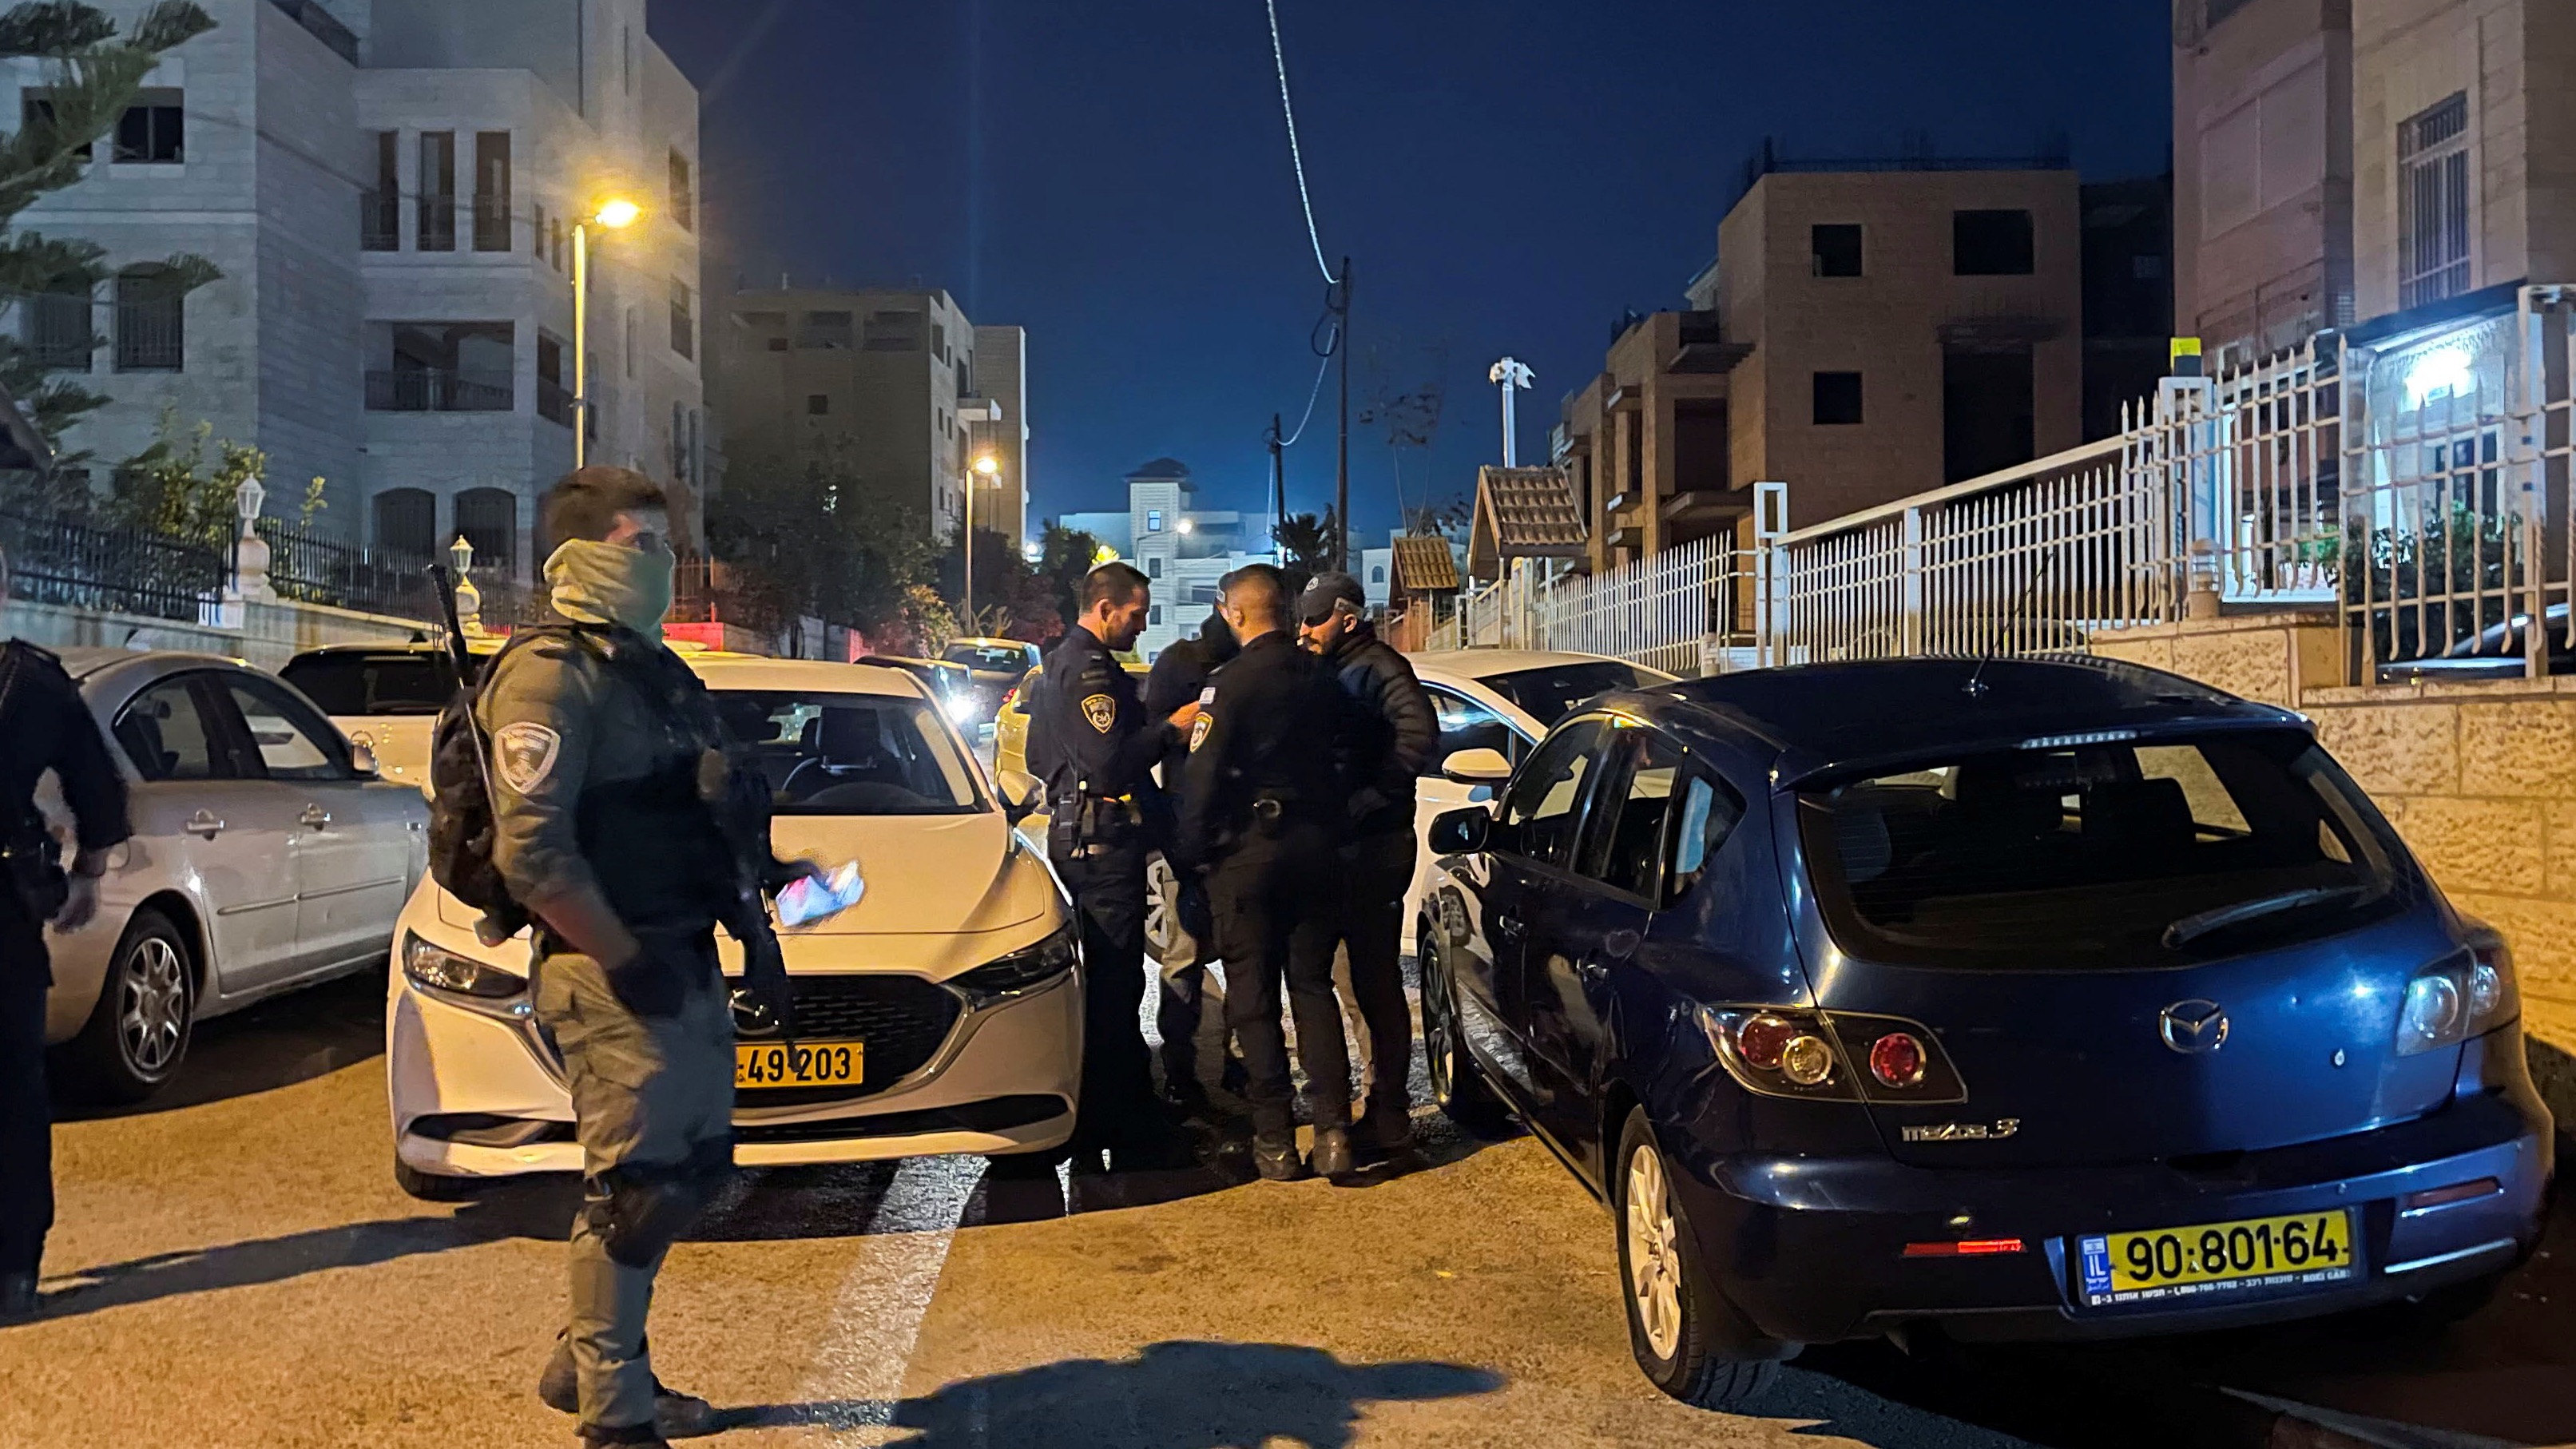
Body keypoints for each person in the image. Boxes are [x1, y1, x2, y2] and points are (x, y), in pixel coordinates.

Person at [484, 467, 779, 1447]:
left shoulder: (656, 673)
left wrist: (761, 876)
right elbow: (531, 853)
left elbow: (695, 804)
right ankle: (618, 1415)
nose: (663, 564)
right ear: (581, 555)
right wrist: (620, 956)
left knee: (692, 1171)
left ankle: (588, 1354)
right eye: (641, 543)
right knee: (637, 1190)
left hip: (681, 955)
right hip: (610, 969)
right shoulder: (546, 674)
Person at [1177, 566, 1356, 1181]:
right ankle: (1335, 1133)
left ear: (1235, 613)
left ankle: (1276, 1141)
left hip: (1245, 856)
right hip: (1316, 850)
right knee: (1312, 987)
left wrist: (1191, 856)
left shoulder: (1226, 686)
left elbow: (1200, 782)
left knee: (1252, 999)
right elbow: (1355, 760)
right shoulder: (1327, 682)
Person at [1026, 562, 1197, 1167]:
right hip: (1101, 845)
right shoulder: (1092, 669)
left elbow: (1035, 753)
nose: (1142, 625)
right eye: (1136, 613)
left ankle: (1110, 1118)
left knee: (1106, 985)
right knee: (1114, 989)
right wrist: (1168, 734)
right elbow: (1107, 766)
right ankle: (1119, 1127)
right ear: (1105, 608)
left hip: (1078, 836)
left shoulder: (1054, 666)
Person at [0, 542, 131, 1324]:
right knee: (14, 1091)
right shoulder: (33, 683)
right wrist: (85, 873)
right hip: (8, 919)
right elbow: (101, 791)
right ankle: (16, 1265)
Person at [1296, 572, 1438, 1165]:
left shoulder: (1380, 668)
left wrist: (1370, 796)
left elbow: (1419, 737)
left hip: (1373, 847)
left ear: (1347, 619)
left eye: (1314, 619)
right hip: (1339, 847)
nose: (1303, 630)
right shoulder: (1329, 669)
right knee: (1347, 980)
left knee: (1372, 982)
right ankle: (1369, 1113)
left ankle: (1389, 1113)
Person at [1140, 599, 1240, 1112]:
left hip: (1240, 839)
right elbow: (1150, 743)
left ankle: (1240, 1062)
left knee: (1248, 961)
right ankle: (1180, 1071)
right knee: (1183, 958)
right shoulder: (1180, 662)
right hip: (1190, 836)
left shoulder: (1260, 662)